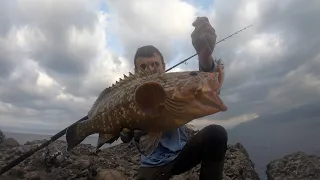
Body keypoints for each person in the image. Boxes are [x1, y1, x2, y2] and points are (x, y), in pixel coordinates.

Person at [120, 17, 228, 180]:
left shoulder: (177, 87)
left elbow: (204, 91)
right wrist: (126, 130)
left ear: (164, 67)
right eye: (143, 67)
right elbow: (123, 135)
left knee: (216, 134)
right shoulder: (129, 99)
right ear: (136, 72)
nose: (150, 69)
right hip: (152, 165)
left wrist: (205, 56)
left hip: (181, 156)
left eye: (155, 64)